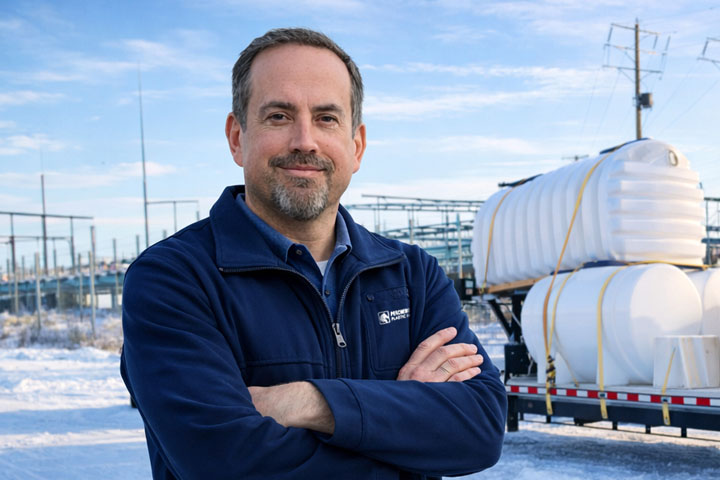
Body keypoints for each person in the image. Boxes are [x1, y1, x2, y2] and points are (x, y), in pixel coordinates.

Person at [120, 28, 505, 479]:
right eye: (280, 116)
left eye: (326, 118)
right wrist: (403, 421)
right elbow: (225, 463)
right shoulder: (174, 278)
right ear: (236, 137)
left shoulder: (411, 274)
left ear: (356, 145)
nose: (305, 141)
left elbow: (480, 428)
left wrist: (311, 402)